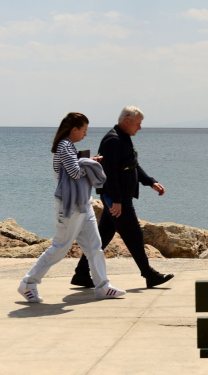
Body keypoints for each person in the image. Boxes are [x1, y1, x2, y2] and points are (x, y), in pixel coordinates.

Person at [18, 112, 126, 303]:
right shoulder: (64, 146)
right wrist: (91, 164)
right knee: (59, 248)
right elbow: (75, 173)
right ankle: (28, 283)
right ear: (73, 129)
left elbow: (74, 168)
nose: (85, 135)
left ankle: (103, 287)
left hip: (83, 203)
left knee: (95, 247)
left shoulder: (68, 147)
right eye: (83, 130)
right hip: (70, 207)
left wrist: (88, 161)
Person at [70, 106, 174, 290]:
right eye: (138, 124)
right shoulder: (113, 140)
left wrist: (150, 182)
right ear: (127, 122)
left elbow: (132, 165)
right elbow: (108, 173)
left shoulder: (123, 138)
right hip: (117, 199)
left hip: (119, 198)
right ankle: (149, 275)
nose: (139, 128)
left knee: (102, 236)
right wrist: (116, 200)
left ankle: (81, 274)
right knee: (134, 235)